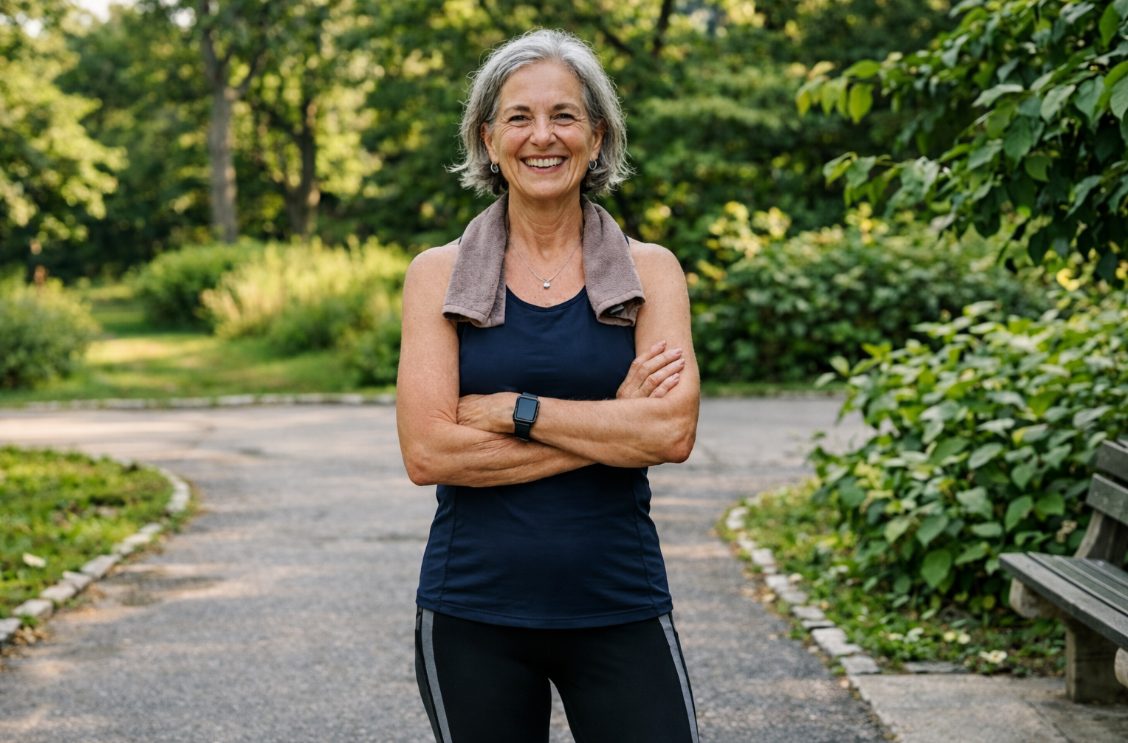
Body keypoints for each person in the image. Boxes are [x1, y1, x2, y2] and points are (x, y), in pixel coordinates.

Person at [396, 29, 701, 743]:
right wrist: (611, 426)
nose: (544, 136)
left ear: (597, 137)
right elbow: (429, 453)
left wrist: (515, 411)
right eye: (519, 117)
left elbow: (670, 433)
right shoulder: (435, 276)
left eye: (564, 116)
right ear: (487, 137)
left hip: (620, 602)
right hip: (472, 611)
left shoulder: (650, 271)